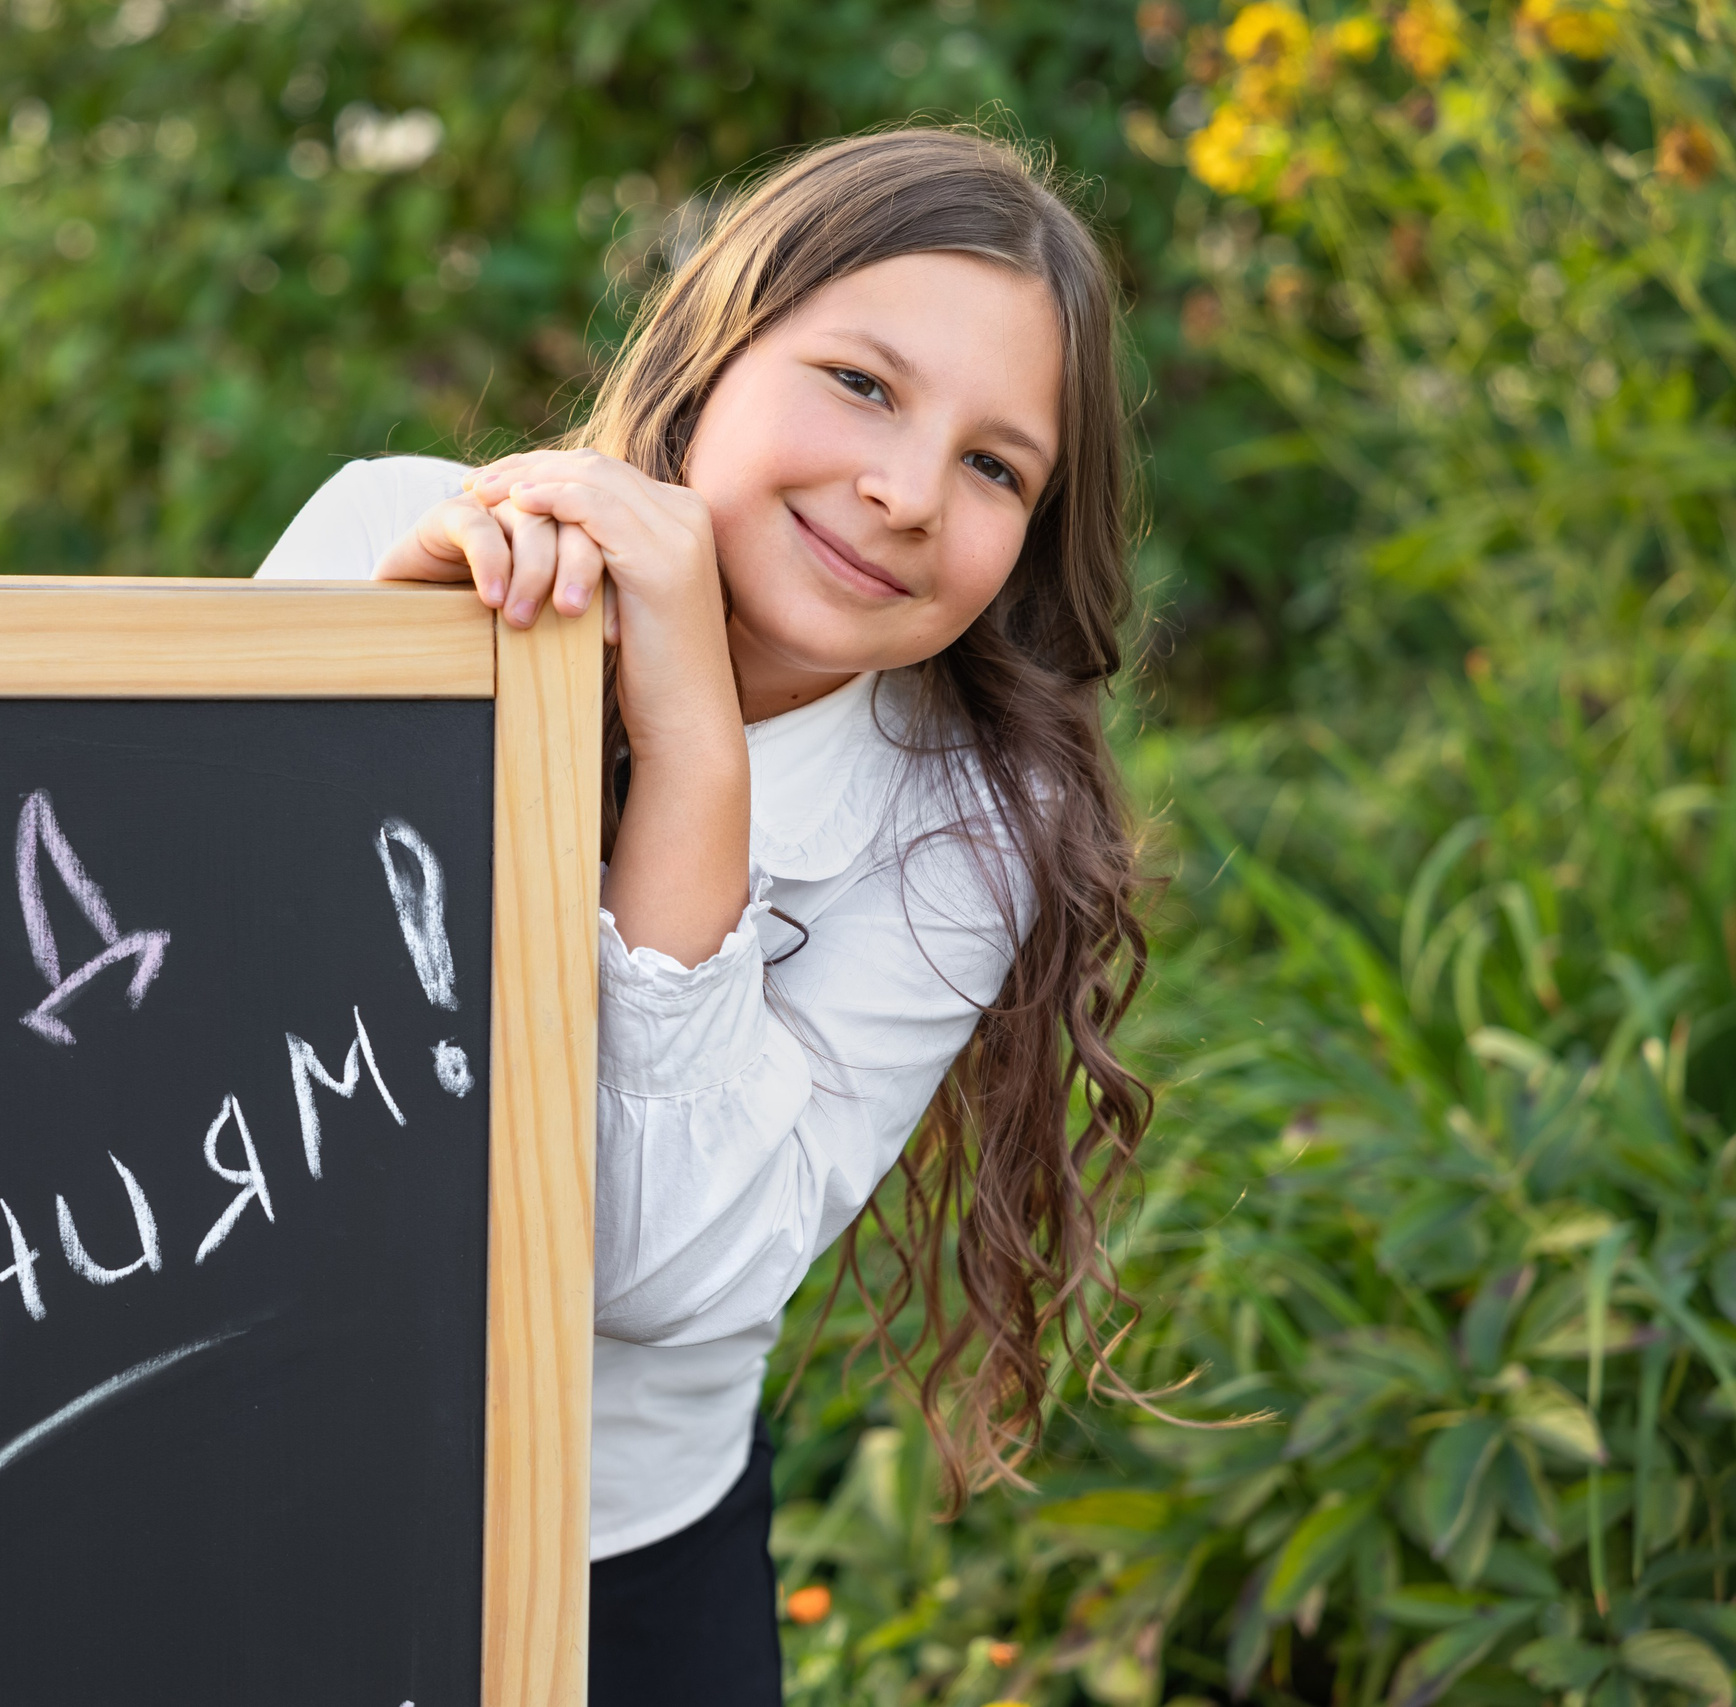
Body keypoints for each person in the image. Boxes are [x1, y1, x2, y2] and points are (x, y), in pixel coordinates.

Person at [258, 128, 1152, 1704]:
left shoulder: (965, 822)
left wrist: (691, 745)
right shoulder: (394, 530)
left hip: (622, 1574)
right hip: (223, 1472)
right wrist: (386, 668)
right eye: (863, 383)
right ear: (709, 350)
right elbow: (174, 995)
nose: (901, 489)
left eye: (996, 465)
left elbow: (654, 1269)